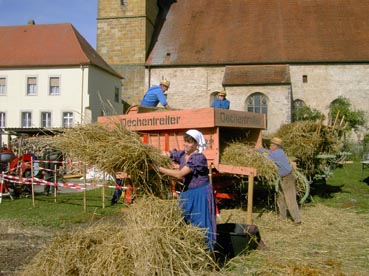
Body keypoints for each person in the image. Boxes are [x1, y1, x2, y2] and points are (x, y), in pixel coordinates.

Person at [158, 129, 216, 250]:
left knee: (200, 223)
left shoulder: (198, 158)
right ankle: (187, 249)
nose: (186, 144)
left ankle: (206, 251)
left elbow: (180, 174)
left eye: (189, 142)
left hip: (200, 194)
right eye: (185, 141)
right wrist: (152, 154)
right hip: (187, 194)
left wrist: (158, 168)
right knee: (183, 220)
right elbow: (169, 154)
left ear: (196, 144)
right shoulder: (184, 155)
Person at [257, 137, 302, 225]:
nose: (270, 146)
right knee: (281, 198)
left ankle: (297, 220)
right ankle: (282, 217)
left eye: (271, 145)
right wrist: (258, 149)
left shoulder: (276, 155)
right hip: (284, 178)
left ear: (276, 146)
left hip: (287, 178)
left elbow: (266, 156)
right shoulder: (279, 151)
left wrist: (256, 151)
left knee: (290, 199)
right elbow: (267, 152)